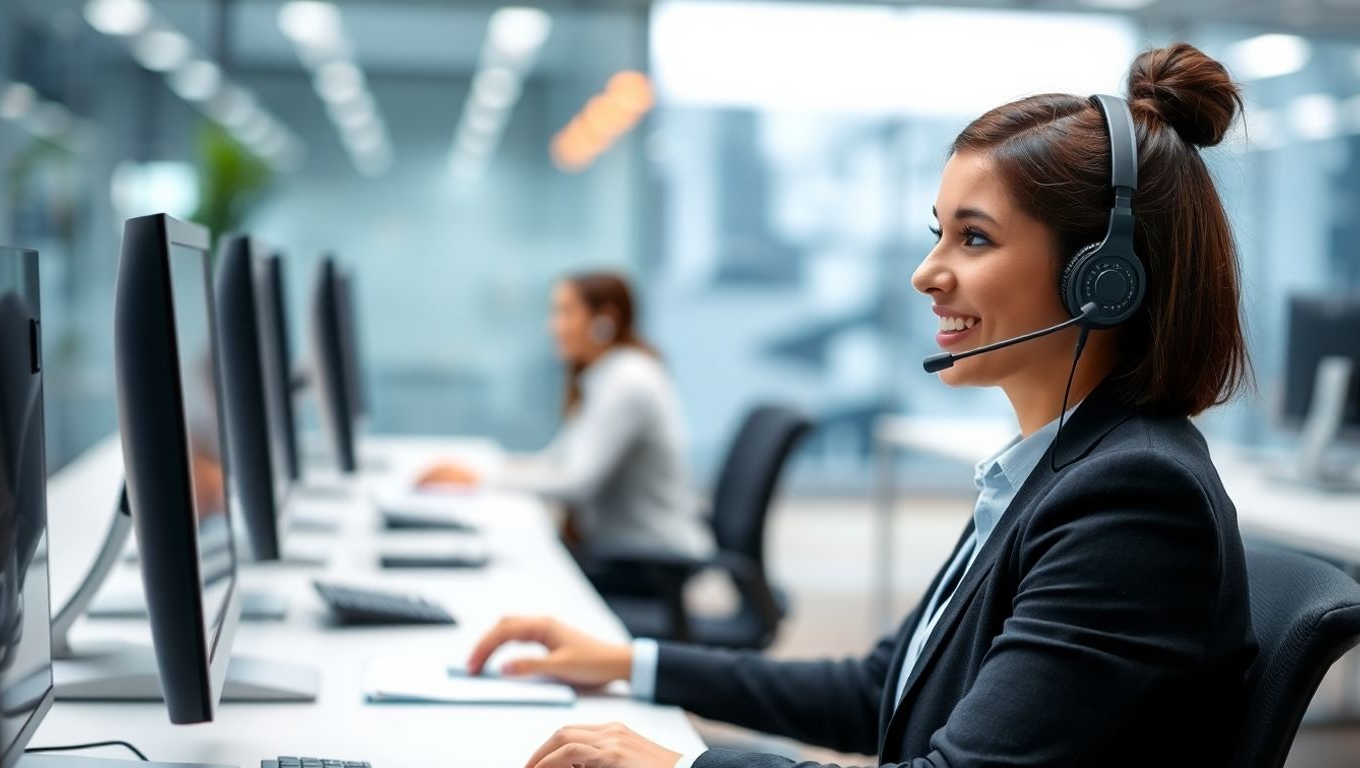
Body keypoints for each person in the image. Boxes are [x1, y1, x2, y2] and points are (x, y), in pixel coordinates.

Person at [464, 42, 1258, 768]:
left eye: (973, 239)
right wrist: (630, 661)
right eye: (936, 232)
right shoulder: (1054, 468)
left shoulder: (1133, 500)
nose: (926, 273)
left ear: (1103, 279)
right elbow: (883, 687)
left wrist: (684, 767)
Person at [418, 272, 713, 563]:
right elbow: (554, 461)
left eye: (565, 312)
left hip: (649, 561)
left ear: (604, 321)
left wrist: (483, 479)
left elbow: (575, 483)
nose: (552, 327)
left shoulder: (628, 381)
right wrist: (478, 471)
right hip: (622, 552)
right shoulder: (606, 377)